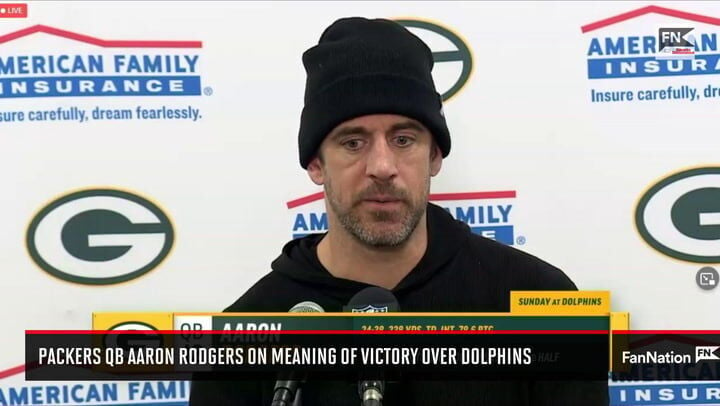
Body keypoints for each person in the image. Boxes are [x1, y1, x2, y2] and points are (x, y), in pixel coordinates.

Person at [189, 17, 608, 405]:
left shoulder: (540, 302)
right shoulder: (245, 333)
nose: (383, 167)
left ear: (435, 157)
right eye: (353, 142)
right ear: (316, 164)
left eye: (404, 139)